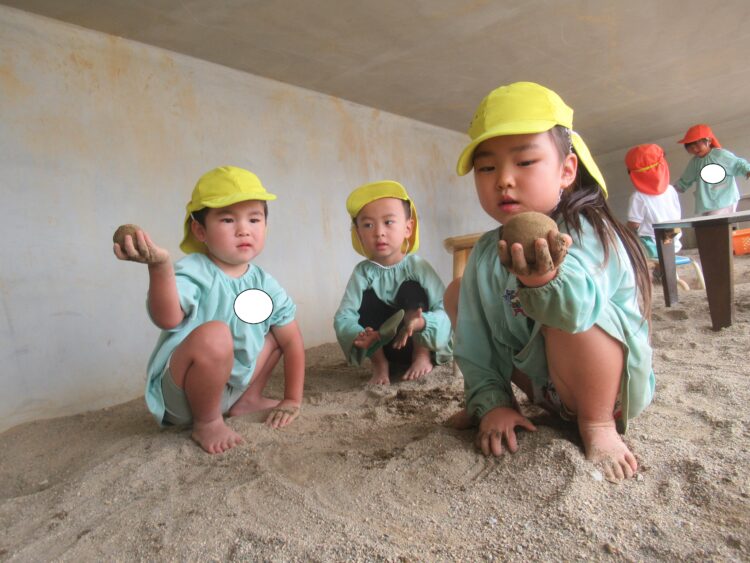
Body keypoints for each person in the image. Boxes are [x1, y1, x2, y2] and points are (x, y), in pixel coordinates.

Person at [444, 82, 654, 481]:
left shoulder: (589, 231)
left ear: (566, 170)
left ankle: (597, 426)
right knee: (458, 294)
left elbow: (578, 313)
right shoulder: (487, 251)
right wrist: (491, 402)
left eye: (524, 162)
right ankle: (494, 402)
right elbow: (474, 336)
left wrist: (544, 280)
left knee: (567, 311)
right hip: (545, 389)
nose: (503, 179)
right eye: (487, 168)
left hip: (604, 391)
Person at [113, 165, 305, 454]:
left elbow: (292, 342)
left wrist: (292, 399)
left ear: (265, 226)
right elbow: (168, 319)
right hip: (184, 398)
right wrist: (160, 267)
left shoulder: (266, 284)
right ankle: (207, 422)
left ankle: (248, 400)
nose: (244, 229)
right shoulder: (195, 271)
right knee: (216, 333)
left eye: (254, 219)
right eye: (228, 219)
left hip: (231, 389)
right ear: (200, 230)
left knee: (279, 334)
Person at [334, 180, 452, 385]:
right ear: (358, 233)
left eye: (388, 222)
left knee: (412, 288)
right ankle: (380, 365)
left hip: (416, 337)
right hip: (382, 344)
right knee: (367, 297)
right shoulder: (362, 273)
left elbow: (444, 306)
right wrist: (358, 334)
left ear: (408, 228)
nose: (379, 232)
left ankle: (421, 356)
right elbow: (345, 314)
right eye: (368, 225)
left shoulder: (417, 267)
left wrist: (423, 323)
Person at [625, 143, 683, 277]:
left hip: (652, 243)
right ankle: (663, 272)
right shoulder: (671, 190)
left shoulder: (638, 196)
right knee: (665, 254)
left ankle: (661, 273)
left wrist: (623, 232)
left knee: (631, 247)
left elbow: (634, 224)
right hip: (674, 236)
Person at [675, 124, 750, 216]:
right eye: (691, 147)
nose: (694, 149)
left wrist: (747, 170)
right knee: (710, 224)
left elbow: (738, 164)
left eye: (697, 145)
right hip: (706, 204)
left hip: (724, 200)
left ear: (709, 141)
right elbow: (685, 180)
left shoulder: (720, 155)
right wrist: (672, 190)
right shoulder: (695, 162)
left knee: (716, 224)